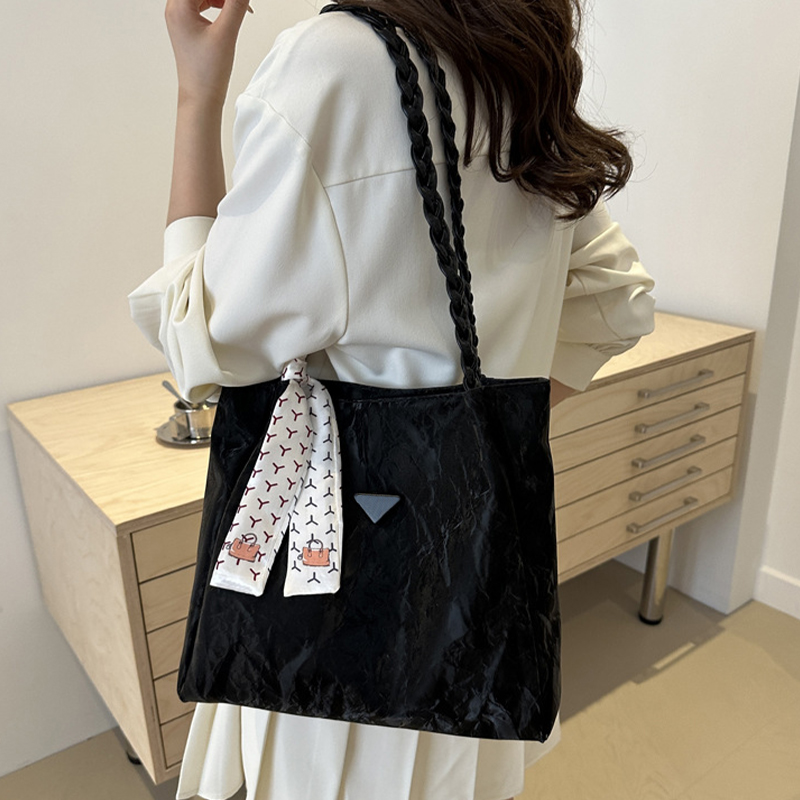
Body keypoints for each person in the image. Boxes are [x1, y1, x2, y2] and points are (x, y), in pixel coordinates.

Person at [129, 0, 656, 798]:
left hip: (326, 641)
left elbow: (195, 336)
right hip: (469, 619)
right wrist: (471, 438)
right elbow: (617, 299)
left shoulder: (330, 63)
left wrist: (195, 95)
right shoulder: (507, 60)